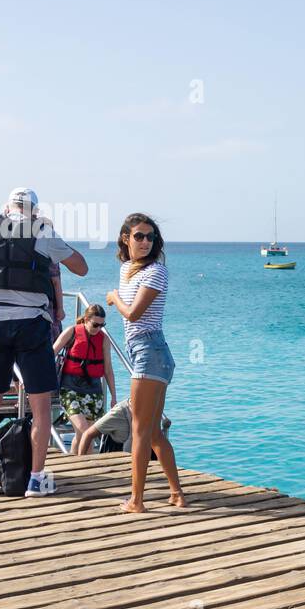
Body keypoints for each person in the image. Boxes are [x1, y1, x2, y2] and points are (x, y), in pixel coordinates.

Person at [0, 187, 88, 497]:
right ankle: (36, 480)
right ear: (34, 210)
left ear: (7, 206)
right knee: (40, 404)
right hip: (31, 324)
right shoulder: (43, 230)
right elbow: (81, 267)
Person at [105, 213, 184, 512]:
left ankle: (136, 500)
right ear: (126, 237)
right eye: (139, 236)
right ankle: (176, 493)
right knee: (151, 432)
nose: (146, 242)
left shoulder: (156, 272)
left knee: (139, 429)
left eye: (150, 237)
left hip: (151, 351)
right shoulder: (127, 268)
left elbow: (135, 314)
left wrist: (113, 298)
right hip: (145, 352)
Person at [52, 303, 117, 454]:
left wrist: (113, 396)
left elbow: (108, 369)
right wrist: (33, 378)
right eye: (95, 324)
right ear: (86, 320)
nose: (98, 328)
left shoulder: (103, 339)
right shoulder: (72, 331)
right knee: (85, 431)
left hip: (94, 391)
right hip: (70, 388)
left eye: (102, 325)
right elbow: (51, 354)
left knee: (83, 435)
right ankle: (86, 466)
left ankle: (77, 465)